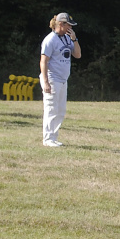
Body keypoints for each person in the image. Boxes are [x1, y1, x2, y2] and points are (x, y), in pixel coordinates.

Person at [39, 12, 81, 147]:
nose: (71, 27)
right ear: (61, 24)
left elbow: (78, 55)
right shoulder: (50, 40)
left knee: (60, 110)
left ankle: (54, 137)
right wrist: (45, 82)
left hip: (63, 80)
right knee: (51, 108)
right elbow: (43, 61)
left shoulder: (67, 38)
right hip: (52, 79)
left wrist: (74, 39)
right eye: (68, 25)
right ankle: (48, 139)